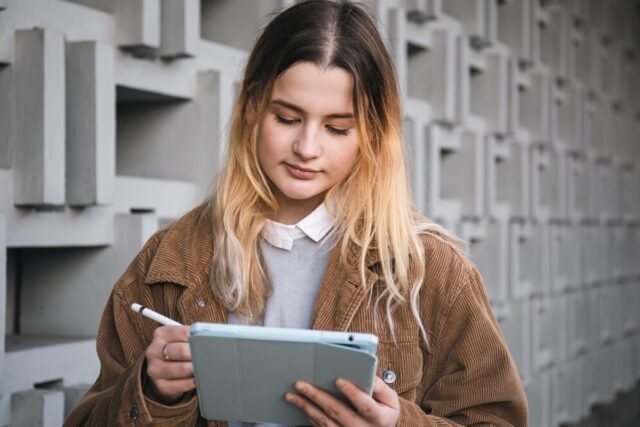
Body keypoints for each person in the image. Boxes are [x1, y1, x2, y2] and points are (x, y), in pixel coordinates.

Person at [64, 0, 528, 425]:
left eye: (337, 128)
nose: (307, 148)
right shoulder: (170, 262)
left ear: (372, 133)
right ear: (251, 107)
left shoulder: (428, 269)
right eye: (286, 118)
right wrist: (149, 390)